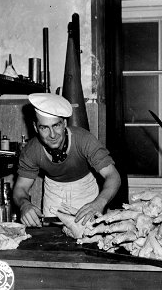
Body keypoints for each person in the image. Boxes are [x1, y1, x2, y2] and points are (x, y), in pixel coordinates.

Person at [13, 93, 121, 228]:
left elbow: (113, 176)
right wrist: (24, 204)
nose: (52, 135)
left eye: (56, 125)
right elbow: (20, 188)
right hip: (53, 193)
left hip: (85, 192)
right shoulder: (31, 150)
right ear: (35, 127)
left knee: (88, 238)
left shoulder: (84, 140)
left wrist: (99, 202)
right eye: (44, 128)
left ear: (64, 123)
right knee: (52, 239)